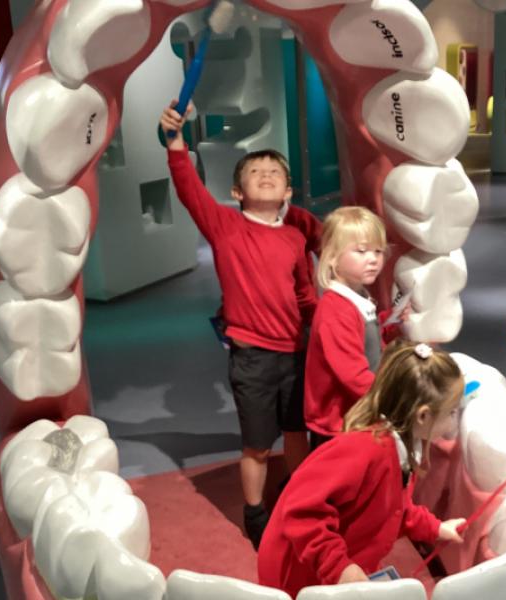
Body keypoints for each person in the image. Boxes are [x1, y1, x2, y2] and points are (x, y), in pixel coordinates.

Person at [160, 102, 319, 549]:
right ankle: (255, 514)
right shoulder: (225, 226)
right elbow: (189, 187)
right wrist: (176, 141)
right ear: (236, 191)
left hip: (295, 352)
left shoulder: (294, 237)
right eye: (255, 171)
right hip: (252, 357)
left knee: (297, 432)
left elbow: (305, 294)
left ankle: (298, 497)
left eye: (275, 172)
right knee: (256, 444)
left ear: (288, 192)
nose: (266, 174)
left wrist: (320, 331)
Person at [258, 340, 466, 597]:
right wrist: (338, 567)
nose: (454, 420)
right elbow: (302, 510)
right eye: (451, 412)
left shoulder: (402, 448)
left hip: (335, 570)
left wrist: (436, 528)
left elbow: (396, 507)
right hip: (302, 575)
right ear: (423, 416)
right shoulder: (365, 450)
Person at [304, 206, 408, 449]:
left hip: (359, 414)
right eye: (361, 251)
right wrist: (395, 399)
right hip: (341, 423)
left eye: (378, 251)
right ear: (332, 257)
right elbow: (353, 375)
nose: (373, 259)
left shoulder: (357, 297)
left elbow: (368, 339)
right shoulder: (336, 310)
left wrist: (392, 322)